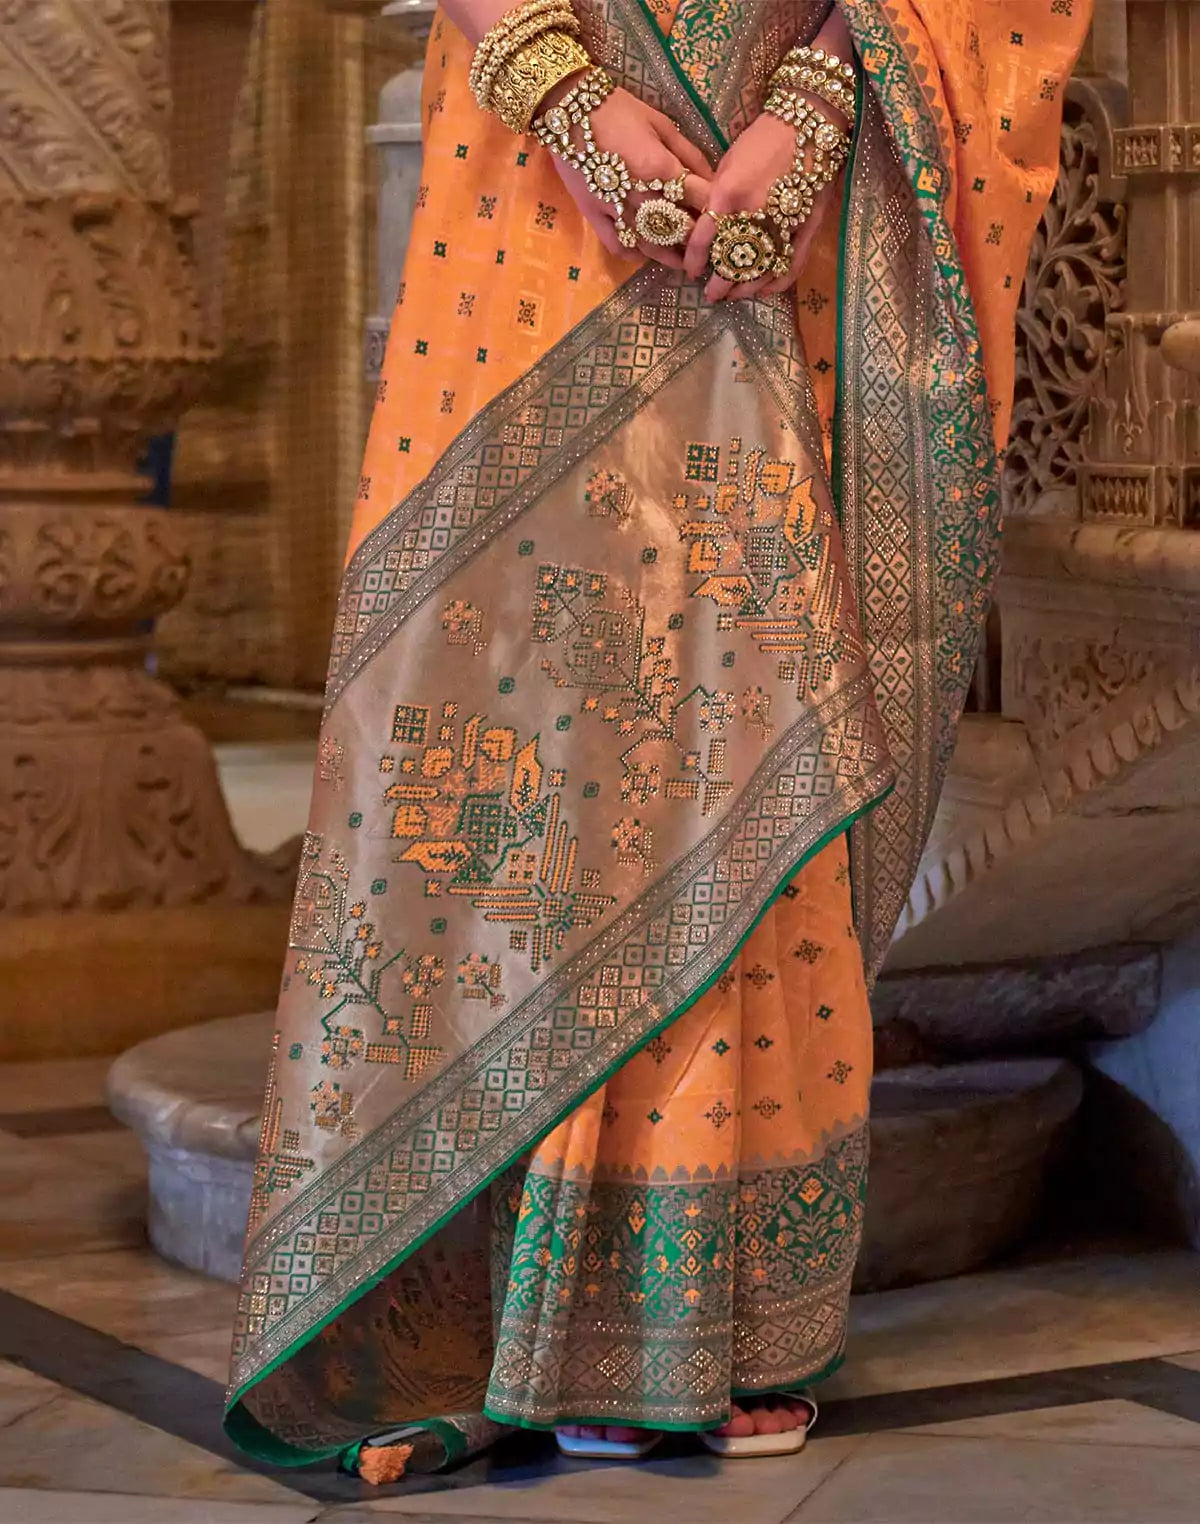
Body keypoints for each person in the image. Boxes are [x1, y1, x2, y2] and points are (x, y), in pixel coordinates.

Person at [224, 0, 1091, 1479]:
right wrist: (565, 94)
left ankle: (690, 1311)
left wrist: (820, 101)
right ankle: (503, 1298)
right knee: (523, 700)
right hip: (541, 171)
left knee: (756, 701)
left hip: (797, 167)